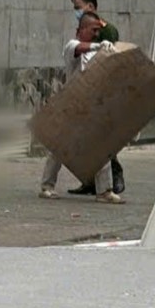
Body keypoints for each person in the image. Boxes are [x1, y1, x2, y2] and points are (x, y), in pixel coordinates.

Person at [39, 11, 125, 205]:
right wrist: (98, 45)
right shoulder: (72, 47)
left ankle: (105, 191)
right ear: (82, 30)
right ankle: (47, 186)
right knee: (59, 148)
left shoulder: (98, 51)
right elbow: (80, 48)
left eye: (98, 31)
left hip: (92, 106)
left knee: (102, 147)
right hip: (73, 104)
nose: (96, 34)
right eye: (93, 30)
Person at [69, 0, 126, 195]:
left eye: (78, 7)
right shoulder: (83, 32)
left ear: (91, 6)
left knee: (101, 142)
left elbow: (108, 60)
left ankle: (112, 180)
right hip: (87, 93)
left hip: (101, 92)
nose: (76, 11)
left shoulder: (107, 31)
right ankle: (92, 183)